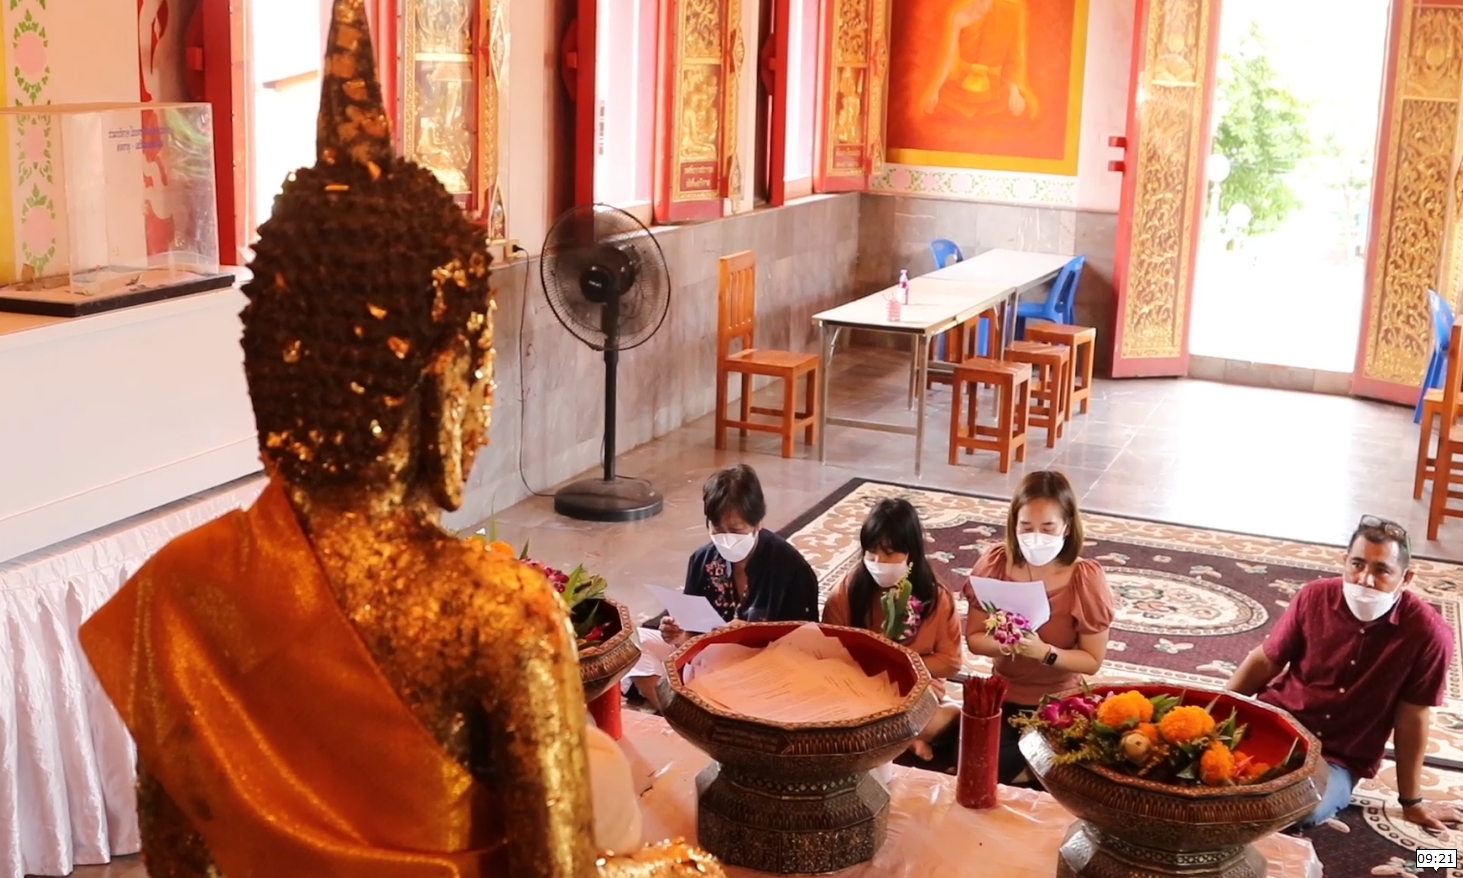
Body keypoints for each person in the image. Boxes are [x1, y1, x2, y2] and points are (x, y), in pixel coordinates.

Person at [75, 5, 722, 876]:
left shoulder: (179, 589)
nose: (485, 393)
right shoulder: (496, 614)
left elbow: (177, 858)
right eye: (479, 363)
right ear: (438, 378)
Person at [1226, 516, 1463, 831]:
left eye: (1381, 571)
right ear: (1344, 562)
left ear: (1406, 578)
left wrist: (1412, 802)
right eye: (1357, 565)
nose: (1364, 580)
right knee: (1210, 768)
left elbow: (1412, 717)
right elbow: (1265, 661)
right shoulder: (1315, 597)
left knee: (1299, 809)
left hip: (1339, 757)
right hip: (1281, 723)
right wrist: (1216, 715)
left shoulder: (1428, 634)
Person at [964, 470, 1114, 785]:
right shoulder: (994, 564)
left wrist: (1045, 653)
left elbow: (1092, 661)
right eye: (1026, 527)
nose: (1036, 537)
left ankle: (1037, 769)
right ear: (1013, 525)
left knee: (1069, 769)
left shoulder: (1084, 579)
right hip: (1004, 695)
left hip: (1059, 700)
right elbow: (975, 639)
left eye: (1047, 529)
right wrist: (1007, 643)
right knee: (977, 764)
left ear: (1067, 527)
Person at [628, 464, 820, 706]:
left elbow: (805, 646)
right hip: (708, 660)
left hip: (762, 669)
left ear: (758, 523)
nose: (727, 539)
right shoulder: (702, 560)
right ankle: (672, 710)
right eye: (718, 530)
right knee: (632, 642)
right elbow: (692, 636)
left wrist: (743, 638)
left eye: (736, 530)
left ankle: (695, 706)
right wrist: (678, 635)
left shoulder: (791, 569)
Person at [822, 498, 963, 760]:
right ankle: (908, 741)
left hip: (917, 691)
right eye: (872, 552)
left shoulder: (937, 598)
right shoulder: (845, 592)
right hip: (859, 687)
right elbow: (828, 656)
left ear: (911, 552)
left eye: (889, 553)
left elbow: (950, 662)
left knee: (926, 719)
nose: (879, 561)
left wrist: (899, 661)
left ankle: (916, 732)